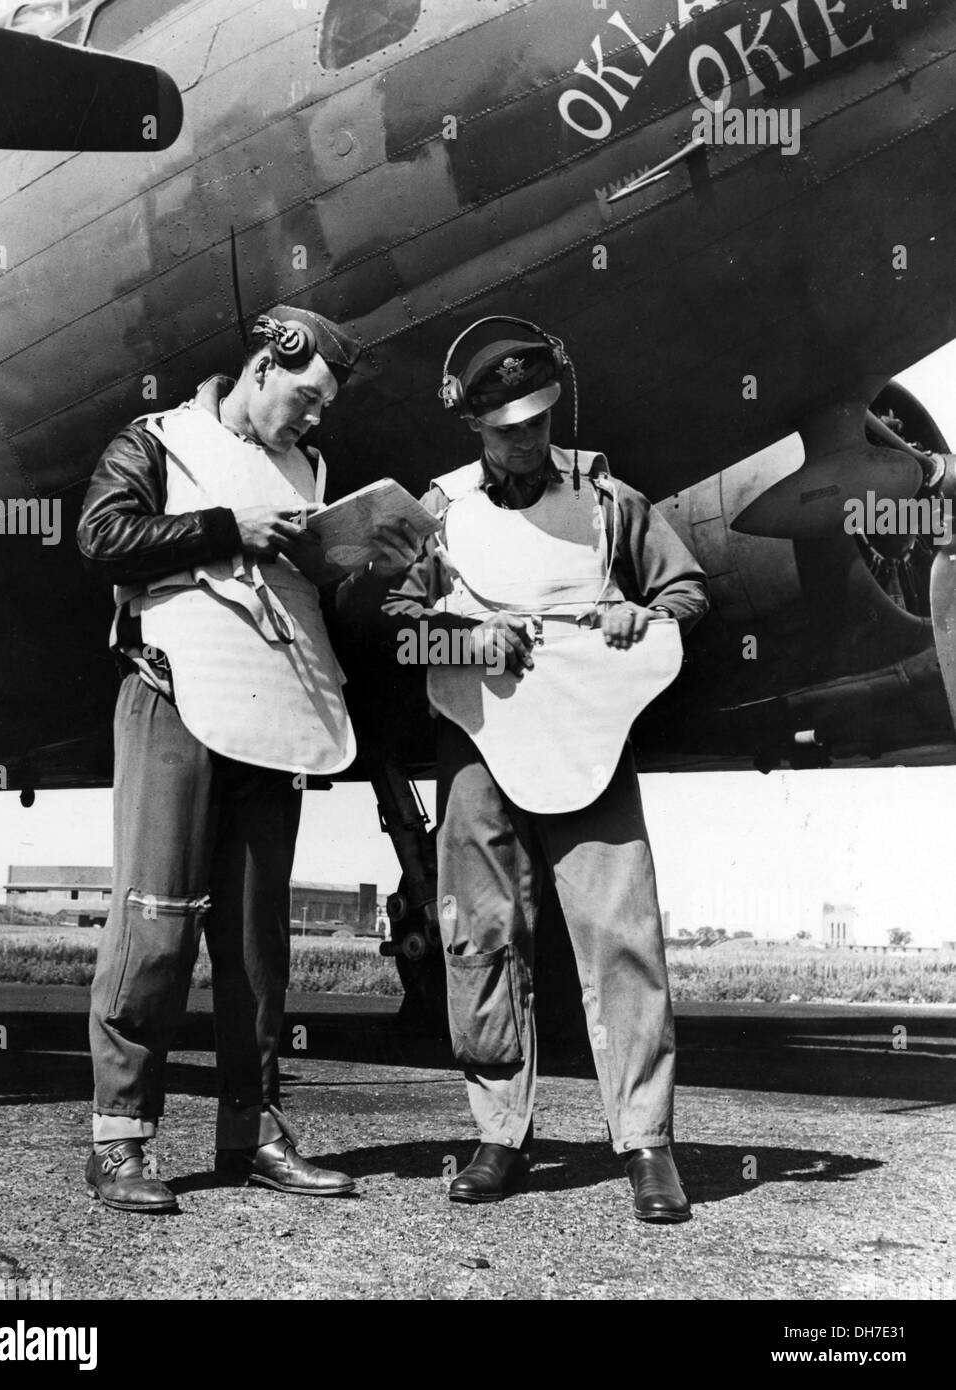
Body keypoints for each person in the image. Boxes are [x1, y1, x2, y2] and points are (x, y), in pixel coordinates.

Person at [77, 305, 417, 1213]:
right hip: (175, 695)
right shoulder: (156, 439)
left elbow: (312, 606)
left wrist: (370, 567)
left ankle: (253, 1130)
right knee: (155, 919)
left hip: (272, 715)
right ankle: (119, 1141)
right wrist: (229, 526)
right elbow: (101, 537)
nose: (312, 423)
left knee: (257, 936)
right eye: (304, 399)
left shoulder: (307, 470)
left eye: (323, 411)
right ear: (264, 366)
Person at [381, 317, 710, 1220]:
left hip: (588, 741)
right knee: (481, 935)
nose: (528, 440)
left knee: (621, 934)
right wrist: (460, 631)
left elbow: (685, 590)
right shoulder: (439, 513)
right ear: (474, 428)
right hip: (480, 745)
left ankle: (647, 1144)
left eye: (538, 421)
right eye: (508, 429)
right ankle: (497, 1135)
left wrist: (638, 617)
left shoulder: (608, 500)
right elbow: (397, 623)